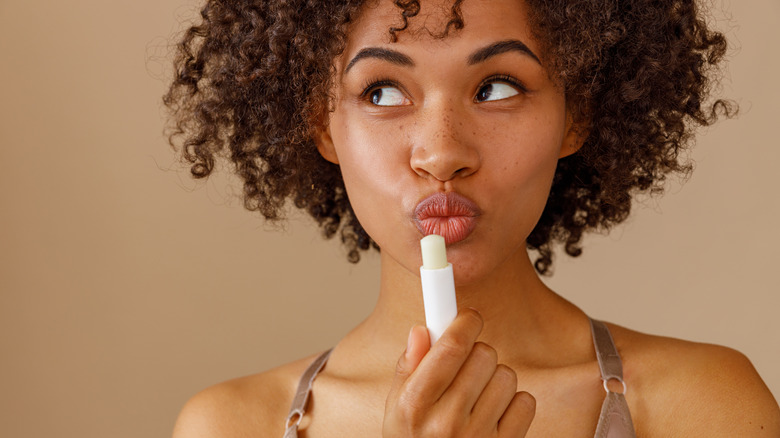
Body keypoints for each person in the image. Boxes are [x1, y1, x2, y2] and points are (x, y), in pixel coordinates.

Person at [164, 0, 780, 436]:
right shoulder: (232, 426)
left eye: (498, 87)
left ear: (577, 116)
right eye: (382, 92)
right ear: (321, 126)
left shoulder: (703, 406)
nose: (442, 155)